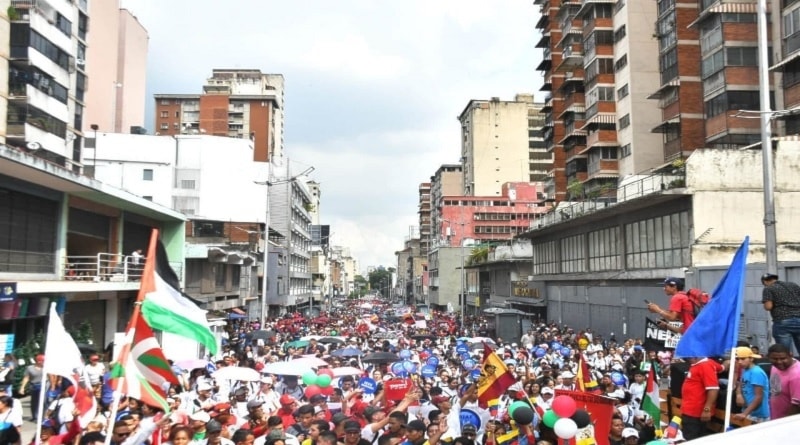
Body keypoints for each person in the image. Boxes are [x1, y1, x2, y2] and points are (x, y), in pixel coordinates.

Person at [680, 357, 722, 440]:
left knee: (691, 439)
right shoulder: (702, 363)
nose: (688, 358)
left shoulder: (705, 365)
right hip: (690, 411)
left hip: (694, 413)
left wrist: (707, 410)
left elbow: (713, 389)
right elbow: (721, 368)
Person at [761, 273, 800, 356]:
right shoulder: (793, 285)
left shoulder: (768, 289)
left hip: (782, 320)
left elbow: (768, 306)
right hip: (799, 318)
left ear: (765, 282)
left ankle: (787, 368)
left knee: (783, 352)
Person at [732, 346, 770, 423]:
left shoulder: (756, 372)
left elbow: (759, 396)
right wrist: (739, 394)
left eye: (743, 359)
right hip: (748, 411)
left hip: (758, 414)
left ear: (751, 359)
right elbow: (741, 382)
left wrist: (744, 414)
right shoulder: (745, 369)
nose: (739, 362)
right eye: (737, 359)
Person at [766, 343, 800, 419]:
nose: (779, 362)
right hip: (775, 416)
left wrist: (784, 424)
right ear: (768, 357)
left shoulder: (797, 375)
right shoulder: (776, 367)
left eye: (783, 358)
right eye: (775, 359)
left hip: (787, 422)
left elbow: (797, 405)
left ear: (791, 355)